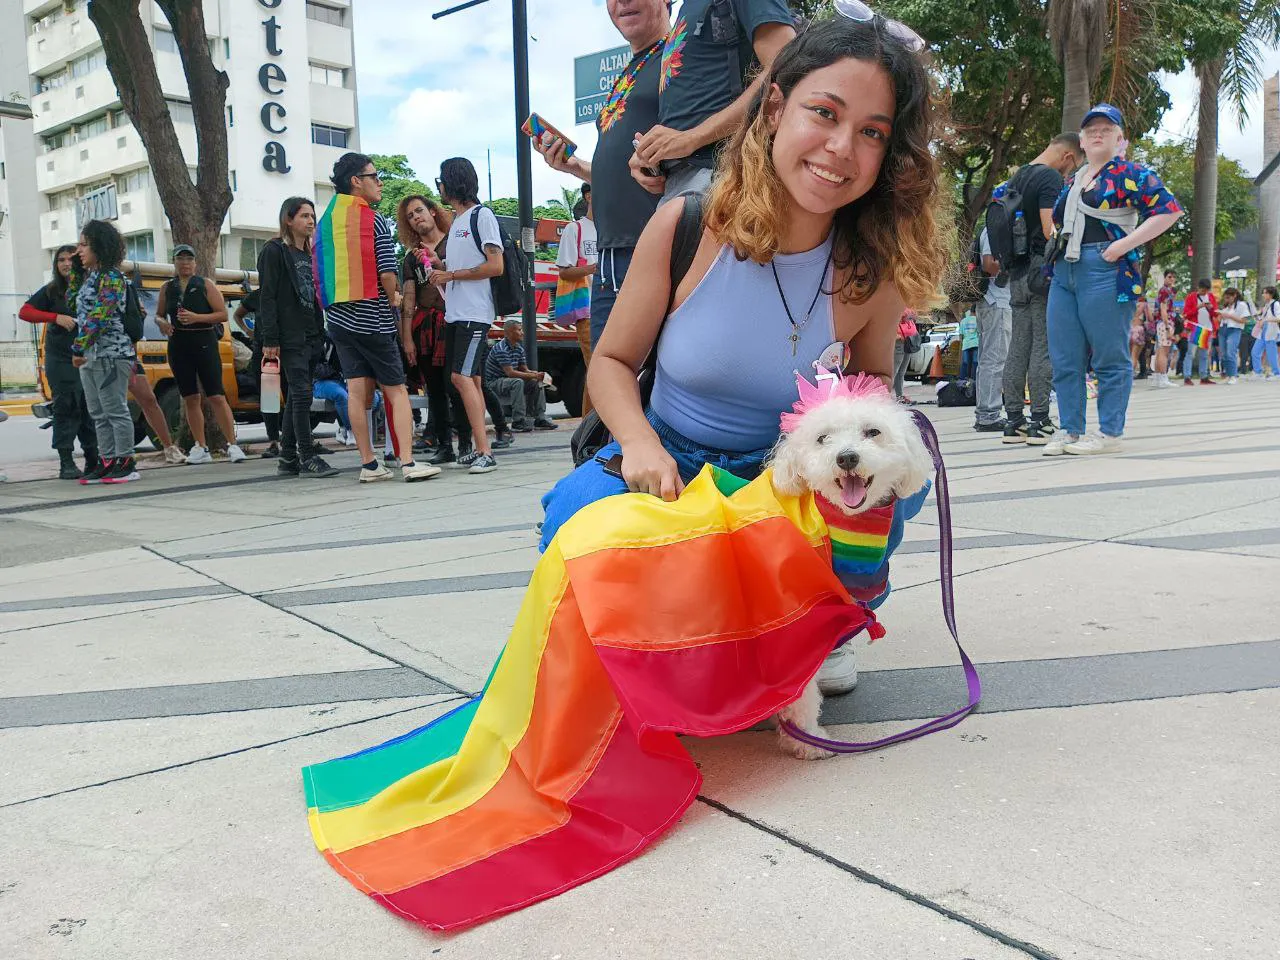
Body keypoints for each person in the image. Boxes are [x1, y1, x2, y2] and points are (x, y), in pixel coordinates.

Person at [540, 14, 946, 694]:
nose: (842, 148)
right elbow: (609, 362)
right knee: (575, 513)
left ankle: (834, 626)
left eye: (872, 132)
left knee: (897, 481)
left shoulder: (874, 269)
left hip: (785, 471)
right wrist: (638, 444)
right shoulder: (691, 221)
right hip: (673, 460)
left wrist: (855, 432)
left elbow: (874, 382)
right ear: (777, 106)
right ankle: (664, 640)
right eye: (825, 112)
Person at [1043, 103, 1182, 456]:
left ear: (1120, 139)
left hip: (1106, 268)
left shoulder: (1130, 173)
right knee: (1064, 357)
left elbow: (1169, 211)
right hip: (1065, 270)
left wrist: (1122, 245)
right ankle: (1070, 429)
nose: (1098, 134)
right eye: (1091, 130)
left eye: (1106, 129)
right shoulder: (1074, 179)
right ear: (1082, 142)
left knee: (1109, 355)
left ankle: (1109, 432)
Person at [535, 0, 668, 348]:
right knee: (607, 376)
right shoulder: (631, 71)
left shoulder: (677, 59)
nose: (621, 2)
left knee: (644, 379)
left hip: (652, 248)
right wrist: (573, 166)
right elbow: (619, 171)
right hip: (610, 255)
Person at [316, 153, 439, 483]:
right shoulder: (372, 220)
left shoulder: (326, 220)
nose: (379, 182)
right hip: (373, 315)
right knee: (396, 390)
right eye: (374, 176)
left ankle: (369, 464)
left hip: (338, 320)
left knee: (357, 391)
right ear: (357, 181)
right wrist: (395, 298)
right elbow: (386, 272)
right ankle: (409, 462)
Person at [632, 0, 796, 202]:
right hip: (686, 181)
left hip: (721, 175)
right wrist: (652, 153)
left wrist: (693, 137)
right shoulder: (688, 8)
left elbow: (787, 68)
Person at [999, 132, 1084, 445]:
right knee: (1042, 347)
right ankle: (1039, 421)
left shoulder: (1017, 177)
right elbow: (1050, 229)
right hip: (1040, 273)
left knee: (1017, 346)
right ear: (1068, 158)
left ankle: (1013, 422)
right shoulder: (1049, 178)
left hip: (1016, 273)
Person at [431, 156, 504, 475]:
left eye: (442, 181)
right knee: (468, 378)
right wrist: (444, 271)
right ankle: (478, 448)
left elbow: (495, 266)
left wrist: (452, 275)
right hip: (457, 313)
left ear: (452, 182)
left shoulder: (481, 216)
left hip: (475, 314)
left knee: (461, 377)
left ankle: (485, 451)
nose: (440, 187)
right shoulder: (457, 221)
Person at [256, 197, 338, 478]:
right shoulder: (275, 251)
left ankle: (288, 458)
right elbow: (266, 296)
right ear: (288, 220)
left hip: (310, 334)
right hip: (286, 335)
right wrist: (270, 338)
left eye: (312, 215)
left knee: (296, 397)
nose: (310, 220)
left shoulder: (310, 253)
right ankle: (307, 454)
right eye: (304, 215)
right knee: (301, 394)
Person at [156, 244, 247, 464]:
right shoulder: (167, 288)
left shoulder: (205, 284)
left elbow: (222, 314)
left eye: (189, 259)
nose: (185, 263)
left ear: (195, 263)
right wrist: (163, 324)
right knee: (190, 397)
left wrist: (197, 317)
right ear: (175, 262)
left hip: (204, 342)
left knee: (216, 395)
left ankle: (232, 445)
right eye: (180, 259)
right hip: (178, 344)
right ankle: (201, 447)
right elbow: (158, 315)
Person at [397, 194, 469, 465]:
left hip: (456, 319)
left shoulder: (455, 243)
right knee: (434, 390)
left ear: (433, 212)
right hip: (425, 326)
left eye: (419, 211)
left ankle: (465, 444)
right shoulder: (411, 257)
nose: (416, 218)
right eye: (411, 216)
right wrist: (407, 339)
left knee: (457, 385)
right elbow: (409, 298)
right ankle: (443, 446)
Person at [69, 220, 140, 484]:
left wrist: (78, 347)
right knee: (97, 412)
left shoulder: (112, 277)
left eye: (84, 245)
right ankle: (107, 460)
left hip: (112, 354)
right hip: (91, 355)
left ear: (99, 246)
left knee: (114, 409)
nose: (79, 251)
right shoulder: (91, 277)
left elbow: (100, 317)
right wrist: (77, 271)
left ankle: (126, 461)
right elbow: (72, 303)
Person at [20, 246, 98, 479]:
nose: (65, 264)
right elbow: (25, 312)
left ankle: (93, 460)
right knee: (66, 407)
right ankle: (66, 462)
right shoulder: (52, 291)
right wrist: (54, 317)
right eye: (60, 260)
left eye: (70, 259)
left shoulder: (91, 286)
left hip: (87, 356)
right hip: (60, 359)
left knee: (89, 407)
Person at [555, 192, 599, 415]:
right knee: (598, 371)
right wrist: (592, 269)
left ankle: (589, 430)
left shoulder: (612, 228)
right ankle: (593, 430)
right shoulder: (576, 229)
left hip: (614, 308)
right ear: (588, 196)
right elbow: (564, 271)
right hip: (589, 310)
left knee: (600, 373)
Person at [974, 226, 1013, 433]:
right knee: (994, 359)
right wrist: (1015, 263)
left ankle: (986, 412)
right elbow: (989, 264)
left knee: (990, 359)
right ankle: (988, 415)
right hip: (996, 300)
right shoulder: (993, 229)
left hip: (995, 302)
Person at [486, 321, 558, 432]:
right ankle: (518, 421)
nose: (522, 333)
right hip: (494, 382)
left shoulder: (519, 348)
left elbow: (524, 369)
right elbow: (510, 373)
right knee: (517, 382)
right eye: (519, 330)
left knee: (535, 382)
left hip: (508, 380)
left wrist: (537, 375)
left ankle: (540, 418)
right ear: (509, 333)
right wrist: (533, 375)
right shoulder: (501, 349)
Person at [1181, 279, 1218, 386]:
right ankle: (1187, 376)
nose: (1204, 292)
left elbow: (1215, 313)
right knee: (1190, 354)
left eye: (1206, 290)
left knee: (1205, 355)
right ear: (1198, 287)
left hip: (1208, 328)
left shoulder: (1211, 297)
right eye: (1202, 290)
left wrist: (1211, 308)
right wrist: (1198, 307)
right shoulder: (1191, 297)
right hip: (1195, 328)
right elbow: (1186, 314)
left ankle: (1204, 376)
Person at [1154, 269, 1181, 388]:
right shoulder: (1165, 291)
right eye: (1169, 277)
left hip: (1163, 323)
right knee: (1164, 352)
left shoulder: (1165, 291)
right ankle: (1163, 378)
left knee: (1161, 351)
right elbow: (1163, 310)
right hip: (1165, 323)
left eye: (1173, 277)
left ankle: (1159, 378)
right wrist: (1167, 327)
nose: (1172, 279)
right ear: (1165, 277)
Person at [1216, 287, 1248, 385]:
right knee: (1224, 354)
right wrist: (1220, 316)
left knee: (1231, 352)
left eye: (1228, 298)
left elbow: (1244, 320)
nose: (1226, 300)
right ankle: (1228, 375)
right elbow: (1218, 320)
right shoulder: (1226, 306)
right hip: (1223, 330)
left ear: (1235, 296)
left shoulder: (1242, 305)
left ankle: (1233, 376)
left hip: (1234, 330)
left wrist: (1229, 316)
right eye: (1225, 298)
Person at [1250, 286, 1280, 379]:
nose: (1263, 295)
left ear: (1271, 294)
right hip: (1263, 332)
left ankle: (1277, 374)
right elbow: (1260, 318)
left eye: (1265, 293)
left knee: (1272, 354)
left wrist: (1266, 320)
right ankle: (1258, 372)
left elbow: (1278, 318)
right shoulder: (1267, 305)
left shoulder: (1276, 304)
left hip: (1271, 331)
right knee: (1255, 352)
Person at [958, 307, 979, 380]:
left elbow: (961, 335)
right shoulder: (978, 320)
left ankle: (963, 379)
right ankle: (974, 380)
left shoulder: (963, 321)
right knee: (975, 362)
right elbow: (980, 333)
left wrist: (962, 344)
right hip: (976, 343)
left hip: (966, 344)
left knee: (965, 363)